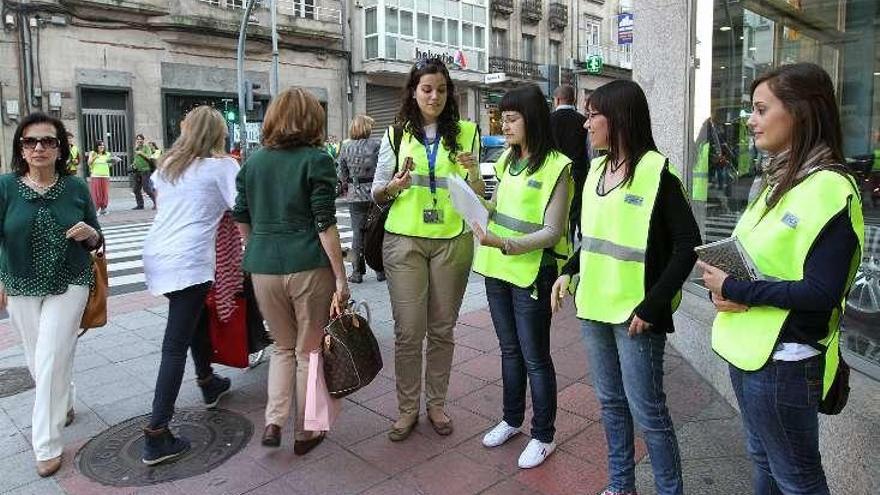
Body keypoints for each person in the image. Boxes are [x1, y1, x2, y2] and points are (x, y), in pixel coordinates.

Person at [698, 63, 864, 495]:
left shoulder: (828, 187)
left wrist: (735, 289)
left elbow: (822, 292)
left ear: (800, 113)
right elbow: (764, 259)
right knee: (765, 463)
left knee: (797, 479)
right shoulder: (777, 180)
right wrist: (729, 287)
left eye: (760, 109)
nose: (749, 120)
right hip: (753, 351)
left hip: (785, 362)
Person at [551, 80, 701, 495]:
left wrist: (653, 307)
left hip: (636, 317)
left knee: (649, 414)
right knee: (611, 405)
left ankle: (670, 491)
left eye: (593, 115)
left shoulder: (658, 174)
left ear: (618, 119)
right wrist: (568, 270)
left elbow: (689, 245)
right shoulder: (596, 169)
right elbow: (594, 239)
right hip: (594, 308)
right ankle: (621, 486)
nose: (585, 124)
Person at [371, 57, 482, 441]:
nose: (434, 96)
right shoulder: (395, 133)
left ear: (449, 93)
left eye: (441, 89)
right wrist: (393, 187)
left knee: (442, 330)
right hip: (405, 239)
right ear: (414, 92)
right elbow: (376, 189)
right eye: (426, 89)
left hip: (452, 239)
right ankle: (406, 410)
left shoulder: (468, 132)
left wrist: (471, 172)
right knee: (408, 331)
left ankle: (436, 404)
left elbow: (480, 194)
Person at [233, 88, 349, 455]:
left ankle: (274, 420)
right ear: (312, 120)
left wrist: (256, 249)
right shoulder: (317, 160)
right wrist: (341, 278)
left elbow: (241, 215)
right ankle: (308, 429)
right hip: (308, 265)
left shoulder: (252, 163)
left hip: (263, 267)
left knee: (282, 346)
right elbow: (324, 224)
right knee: (308, 350)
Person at [471, 85, 573, 469]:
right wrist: (467, 196)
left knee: (535, 356)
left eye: (512, 119)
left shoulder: (557, 167)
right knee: (509, 350)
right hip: (497, 269)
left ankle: (544, 434)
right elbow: (496, 207)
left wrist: (505, 243)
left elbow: (552, 230)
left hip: (532, 271)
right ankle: (512, 419)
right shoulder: (504, 161)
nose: (505, 125)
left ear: (532, 119)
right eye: (503, 118)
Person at [0, 112, 103, 477]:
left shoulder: (76, 188)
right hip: (20, 283)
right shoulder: (6, 187)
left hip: (70, 280)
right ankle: (66, 400)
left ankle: (45, 443)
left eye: (48, 141)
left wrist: (89, 233)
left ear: (60, 149)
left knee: (49, 357)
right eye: (31, 142)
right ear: (21, 149)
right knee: (37, 357)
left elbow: (97, 238)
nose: (39, 147)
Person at [140, 106, 238, 465]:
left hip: (157, 254)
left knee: (194, 318)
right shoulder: (222, 166)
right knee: (174, 345)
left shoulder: (166, 167)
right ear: (217, 134)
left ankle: (208, 381)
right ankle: (157, 433)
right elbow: (241, 206)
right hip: (190, 259)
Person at [337, 114, 384, 283]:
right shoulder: (377, 144)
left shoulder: (345, 146)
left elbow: (342, 173)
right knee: (377, 231)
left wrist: (347, 184)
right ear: (367, 128)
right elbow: (383, 168)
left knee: (357, 234)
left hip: (354, 194)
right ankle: (380, 270)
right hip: (375, 193)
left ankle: (357, 272)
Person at [549, 84, 589, 242]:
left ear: (557, 100)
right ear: (573, 100)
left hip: (554, 172)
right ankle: (576, 236)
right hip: (578, 171)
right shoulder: (584, 121)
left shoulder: (548, 120)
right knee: (576, 208)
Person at [132, 134, 157, 210]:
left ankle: (157, 203)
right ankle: (140, 205)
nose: (139, 140)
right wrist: (133, 164)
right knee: (136, 189)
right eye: (138, 139)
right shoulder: (136, 148)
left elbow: (149, 157)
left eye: (141, 139)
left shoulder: (146, 147)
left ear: (143, 140)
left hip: (145, 170)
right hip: (137, 171)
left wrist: (141, 153)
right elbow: (136, 159)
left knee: (147, 188)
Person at [87, 140, 113, 215]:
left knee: (105, 193)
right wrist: (95, 157)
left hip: (105, 175)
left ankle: (103, 209)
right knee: (96, 193)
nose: (102, 147)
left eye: (103, 145)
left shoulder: (107, 154)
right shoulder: (93, 153)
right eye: (100, 145)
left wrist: (113, 162)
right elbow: (89, 163)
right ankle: (95, 209)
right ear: (96, 146)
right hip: (96, 175)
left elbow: (109, 165)